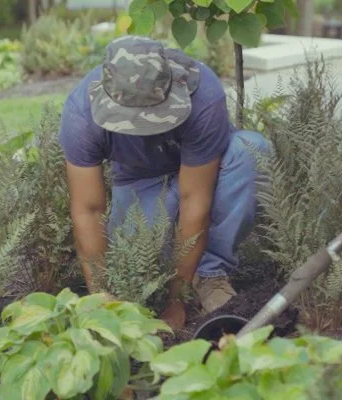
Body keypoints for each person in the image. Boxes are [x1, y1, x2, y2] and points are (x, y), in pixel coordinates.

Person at [58, 35, 270, 330]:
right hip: (139, 177)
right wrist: (101, 297)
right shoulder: (81, 114)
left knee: (250, 150)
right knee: (139, 267)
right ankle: (176, 269)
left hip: (210, 172)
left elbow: (194, 199)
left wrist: (176, 301)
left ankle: (209, 274)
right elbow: (88, 211)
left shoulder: (203, 95)